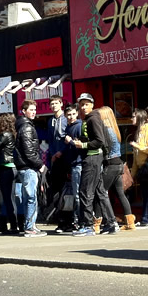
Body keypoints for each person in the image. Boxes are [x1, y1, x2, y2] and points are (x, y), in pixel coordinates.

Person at [69, 93, 116, 236]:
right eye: (81, 104)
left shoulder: (93, 119)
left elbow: (99, 141)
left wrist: (82, 145)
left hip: (92, 158)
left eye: (86, 104)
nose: (83, 107)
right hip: (94, 157)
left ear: (92, 104)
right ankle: (110, 223)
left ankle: (88, 225)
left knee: (85, 191)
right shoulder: (90, 119)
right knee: (100, 192)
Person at [15, 100, 48, 237]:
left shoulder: (23, 125)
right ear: (24, 111)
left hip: (25, 166)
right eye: (31, 109)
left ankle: (31, 225)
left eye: (35, 109)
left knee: (28, 197)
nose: (34, 112)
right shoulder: (27, 127)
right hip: (28, 167)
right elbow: (29, 152)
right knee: (31, 197)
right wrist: (40, 164)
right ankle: (29, 227)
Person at [98, 105, 131, 231]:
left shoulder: (105, 130)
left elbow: (104, 148)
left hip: (111, 164)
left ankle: (101, 221)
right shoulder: (114, 129)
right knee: (120, 193)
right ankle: (130, 222)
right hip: (119, 163)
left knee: (100, 192)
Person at [0, 112, 18, 235]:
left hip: (6, 167)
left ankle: (13, 225)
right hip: (9, 166)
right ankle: (8, 224)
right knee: (8, 198)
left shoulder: (5, 134)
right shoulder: (11, 134)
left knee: (8, 198)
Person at [59, 104, 83, 232]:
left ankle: (79, 221)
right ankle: (77, 220)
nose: (71, 117)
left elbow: (81, 146)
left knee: (78, 194)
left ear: (77, 113)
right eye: (68, 114)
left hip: (78, 164)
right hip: (73, 164)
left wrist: (71, 142)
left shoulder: (79, 126)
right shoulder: (69, 127)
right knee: (76, 194)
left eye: (73, 114)